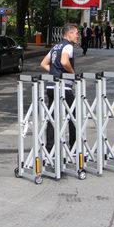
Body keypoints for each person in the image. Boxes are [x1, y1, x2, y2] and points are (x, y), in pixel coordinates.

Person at [40, 23, 79, 151]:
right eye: (76, 33)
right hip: (64, 87)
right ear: (69, 33)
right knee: (73, 116)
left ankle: (50, 147)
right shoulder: (68, 46)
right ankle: (73, 145)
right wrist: (72, 74)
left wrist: (54, 73)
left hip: (51, 86)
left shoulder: (55, 47)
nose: (78, 36)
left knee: (53, 117)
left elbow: (43, 63)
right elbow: (64, 61)